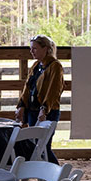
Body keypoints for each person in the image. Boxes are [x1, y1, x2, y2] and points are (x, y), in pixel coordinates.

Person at [15, 34, 64, 164]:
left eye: (35, 48)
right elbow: (27, 86)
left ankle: (54, 177)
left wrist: (44, 109)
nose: (31, 51)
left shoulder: (55, 66)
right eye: (31, 48)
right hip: (32, 110)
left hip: (47, 111)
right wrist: (21, 105)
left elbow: (54, 90)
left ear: (46, 49)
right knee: (35, 146)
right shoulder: (36, 65)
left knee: (43, 146)